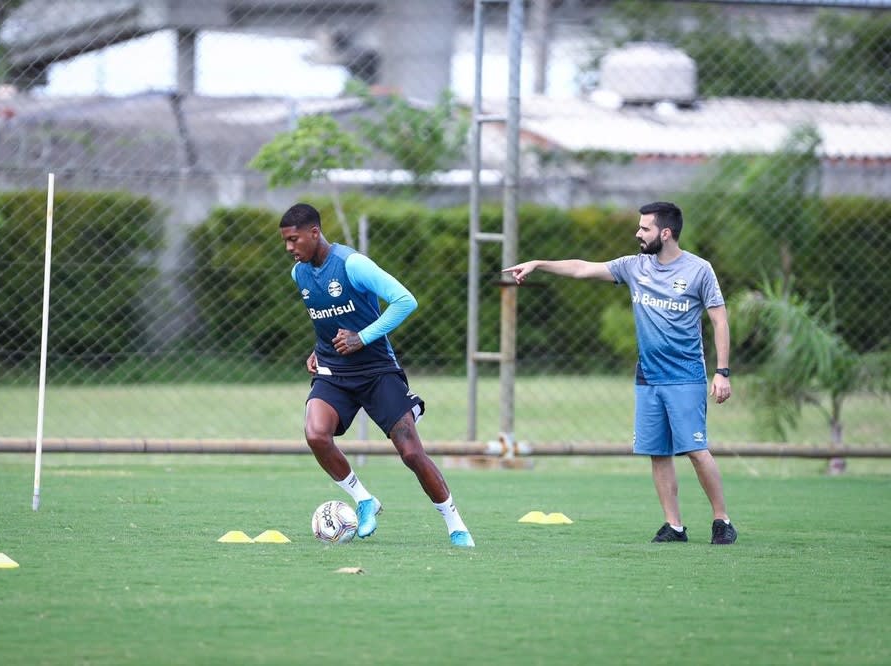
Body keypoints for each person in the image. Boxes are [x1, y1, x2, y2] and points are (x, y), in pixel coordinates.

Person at [502, 201, 738, 545]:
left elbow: (719, 319)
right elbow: (583, 268)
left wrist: (722, 372)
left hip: (685, 376)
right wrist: (539, 264)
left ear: (666, 233)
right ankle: (674, 526)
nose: (638, 234)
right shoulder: (633, 266)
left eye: (645, 228)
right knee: (658, 453)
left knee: (696, 451)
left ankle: (722, 520)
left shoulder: (700, 270)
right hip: (647, 377)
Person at [279, 202, 475, 548]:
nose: (289, 248)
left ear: (315, 232)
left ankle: (455, 524)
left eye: (294, 239)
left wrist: (363, 337)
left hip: (376, 370)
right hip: (334, 370)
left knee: (411, 453)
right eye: (285, 242)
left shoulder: (352, 264)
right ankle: (365, 500)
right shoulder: (300, 274)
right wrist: (318, 347)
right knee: (316, 434)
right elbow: (325, 317)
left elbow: (405, 300)